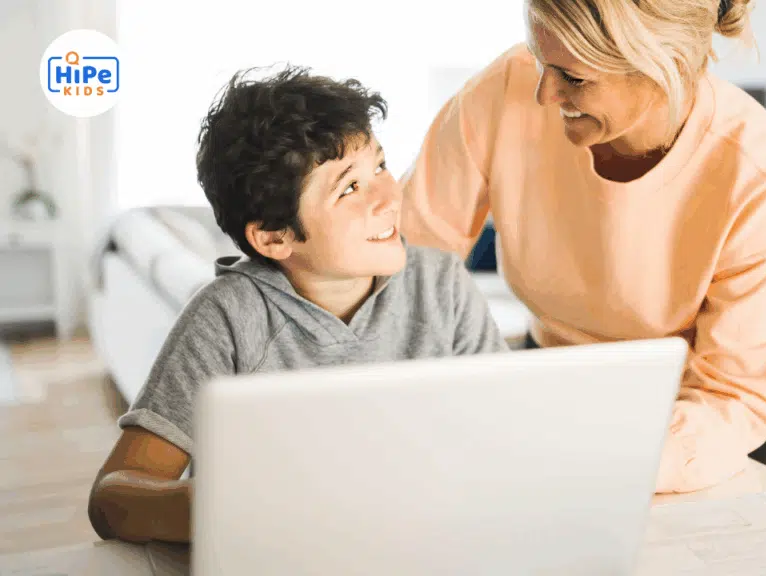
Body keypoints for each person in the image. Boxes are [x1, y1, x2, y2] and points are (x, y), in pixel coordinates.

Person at [400, 0, 766, 493]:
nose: (544, 93)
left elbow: (736, 394)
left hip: (689, 430)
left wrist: (617, 467)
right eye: (539, 58)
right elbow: (409, 258)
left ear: (667, 66)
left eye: (573, 78)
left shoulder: (752, 162)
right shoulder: (505, 90)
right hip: (545, 381)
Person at [87, 66, 508, 544]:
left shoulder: (443, 285)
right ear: (273, 237)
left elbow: (503, 430)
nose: (391, 197)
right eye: (350, 187)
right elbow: (111, 499)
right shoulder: (229, 318)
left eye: (382, 166)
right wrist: (218, 508)